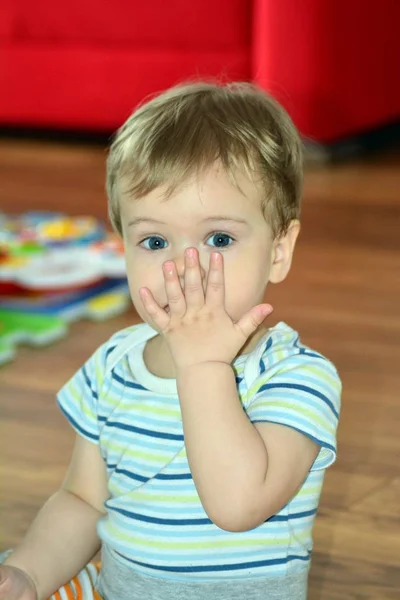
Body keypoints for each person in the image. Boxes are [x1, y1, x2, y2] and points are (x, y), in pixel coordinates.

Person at [0, 81, 341, 600]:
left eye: (219, 239)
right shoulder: (113, 364)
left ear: (279, 250)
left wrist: (202, 365)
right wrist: (29, 574)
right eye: (154, 241)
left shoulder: (297, 376)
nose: (185, 267)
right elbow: (83, 500)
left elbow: (237, 503)